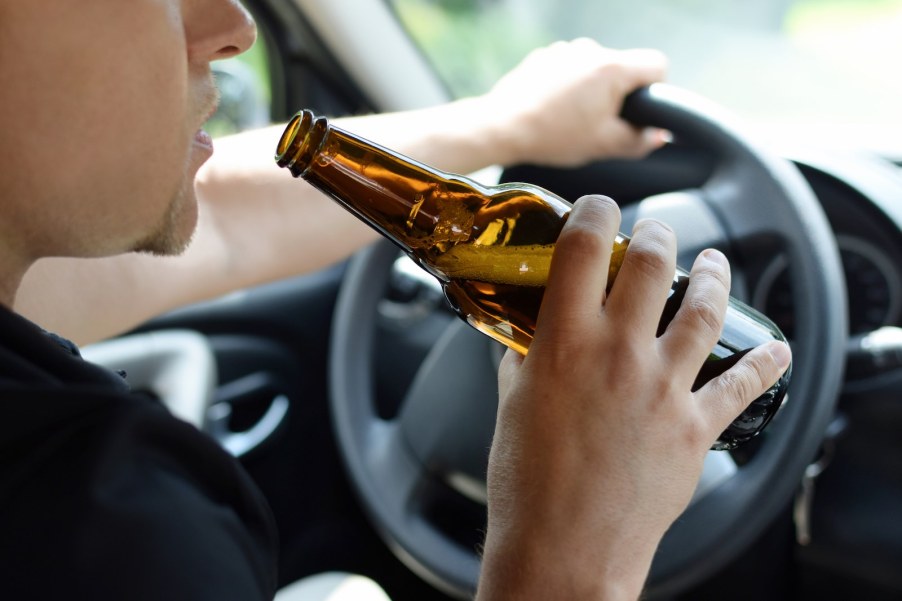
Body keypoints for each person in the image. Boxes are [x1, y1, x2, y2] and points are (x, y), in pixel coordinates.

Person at [0, 1, 791, 600]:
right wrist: (574, 554)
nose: (235, 27)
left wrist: (507, 123)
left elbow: (230, 226)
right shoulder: (103, 533)